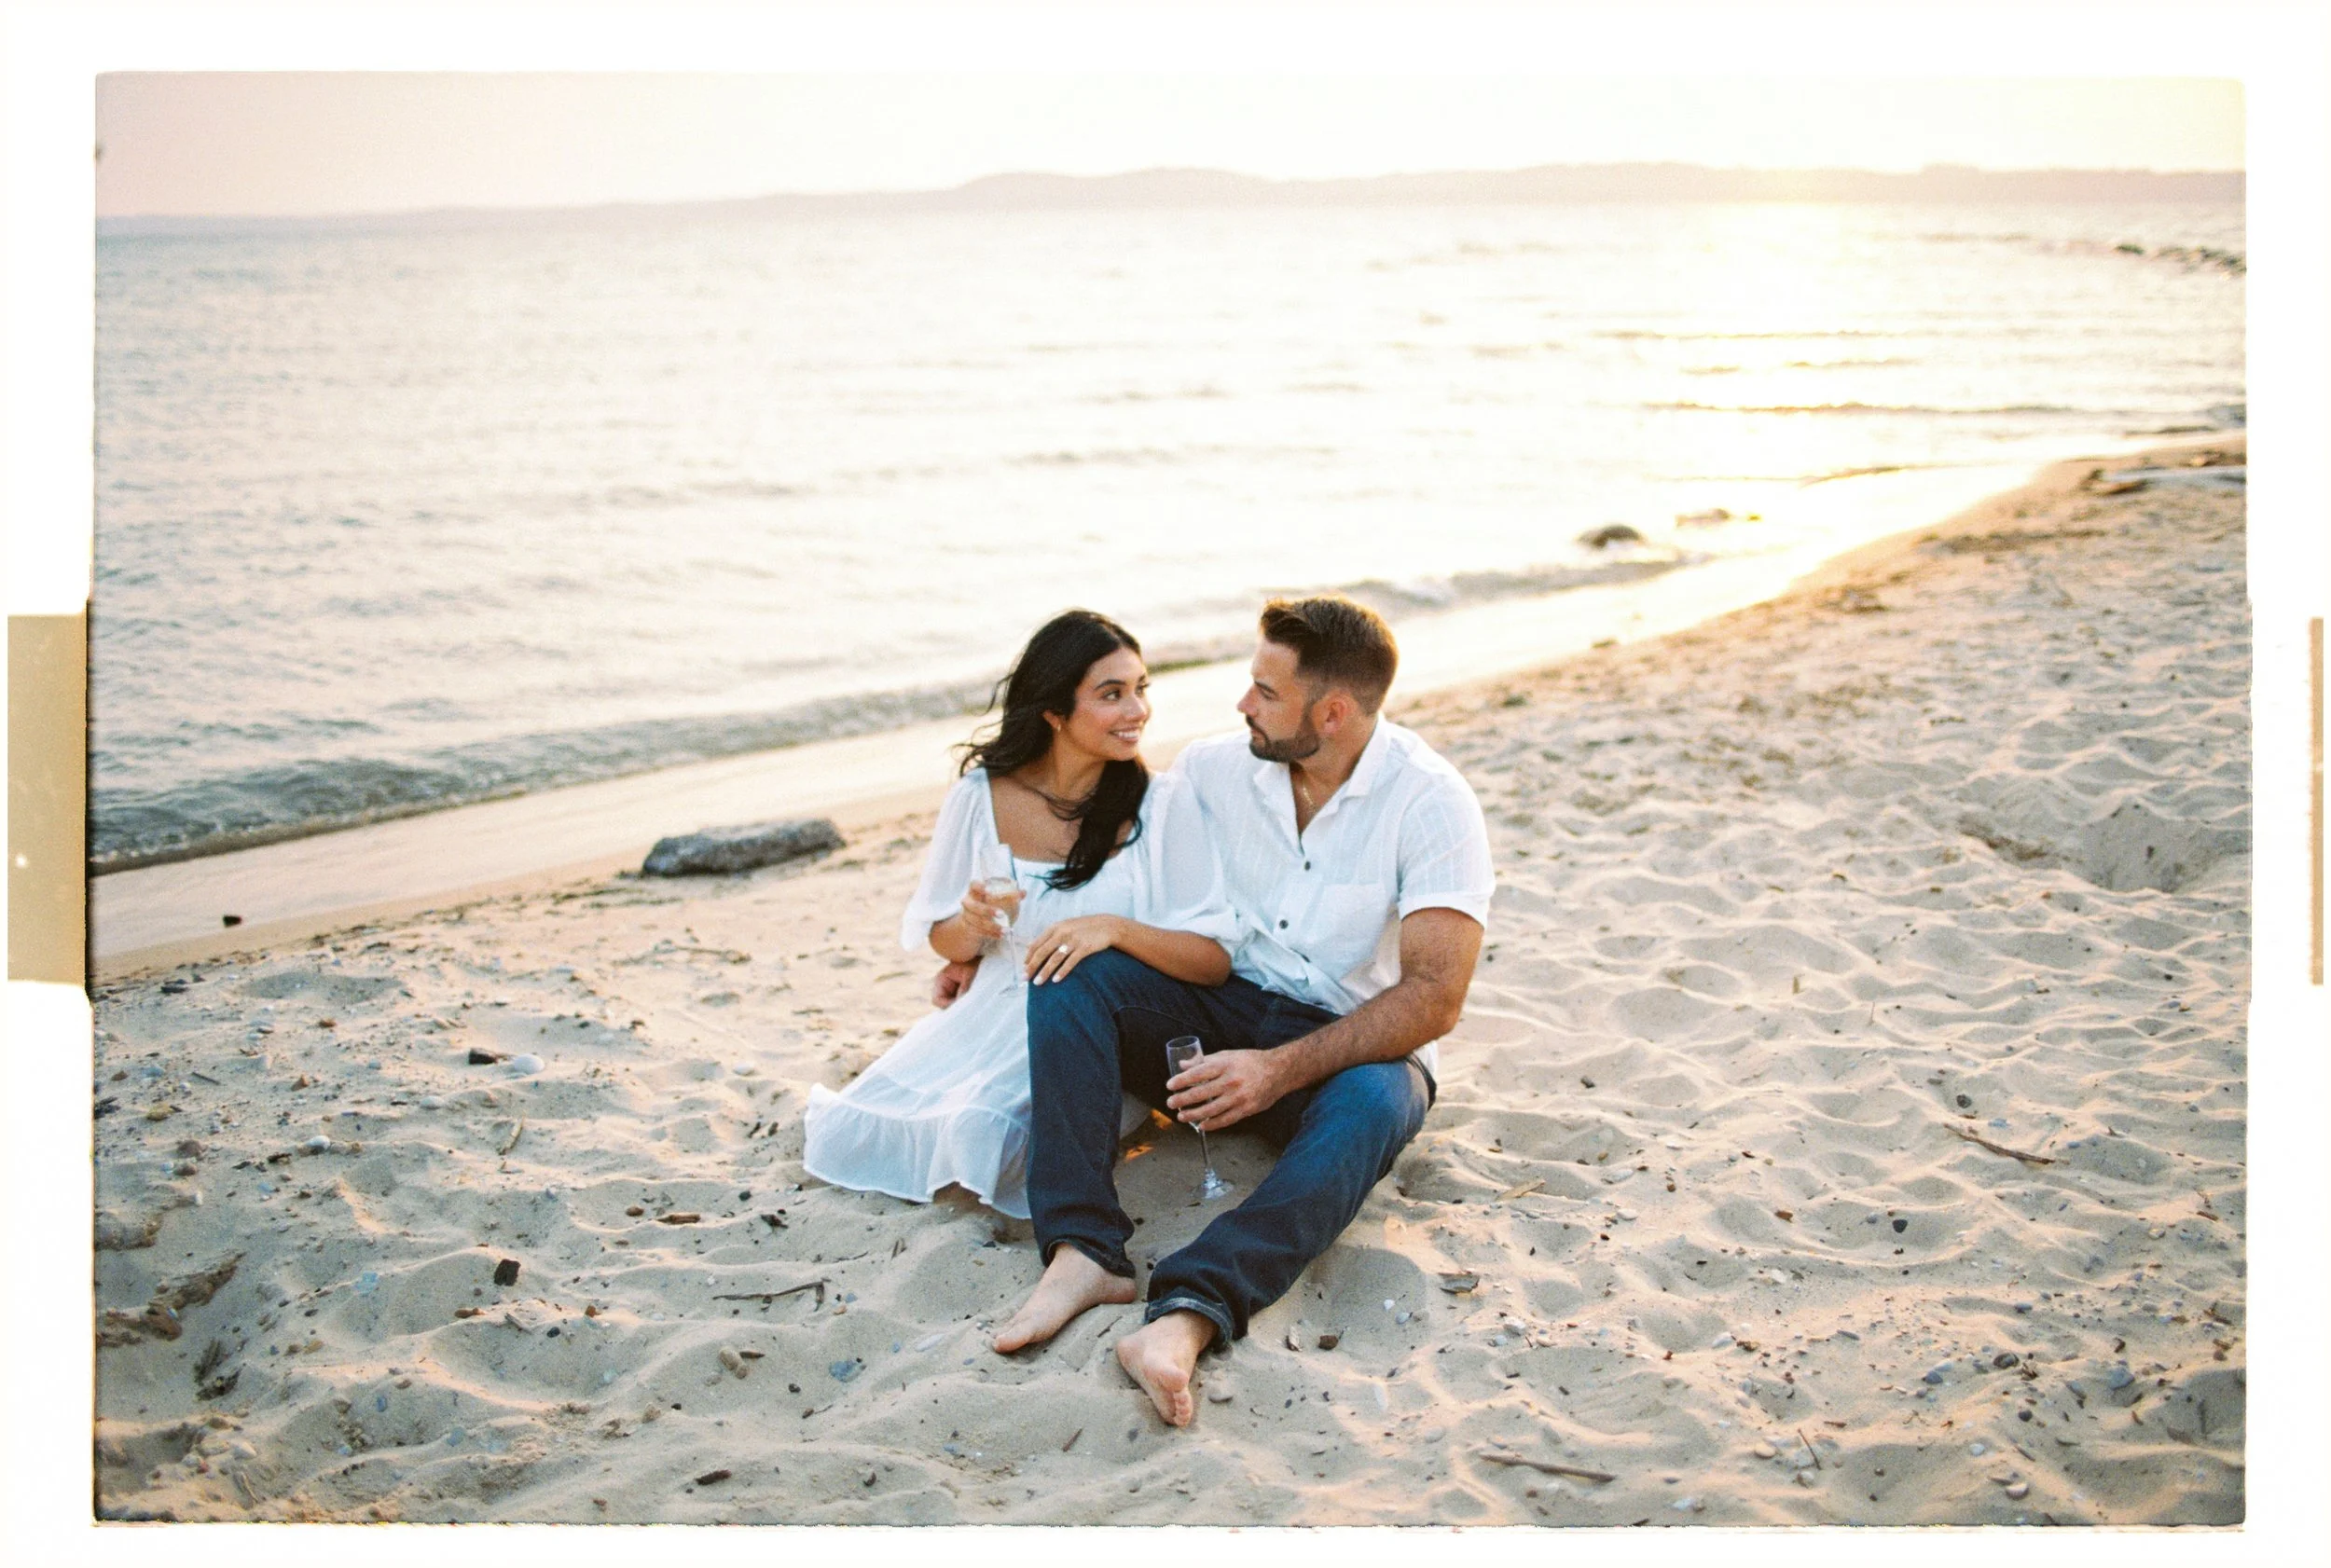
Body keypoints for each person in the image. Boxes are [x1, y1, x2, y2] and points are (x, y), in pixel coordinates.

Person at [977, 594, 1495, 1427]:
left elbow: (1435, 998)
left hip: (1343, 1048)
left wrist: (1278, 1070)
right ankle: (1082, 1251)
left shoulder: (1431, 802)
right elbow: (1121, 859)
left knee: (1378, 1102)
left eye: (1264, 691)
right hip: (1216, 1008)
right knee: (1072, 975)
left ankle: (1187, 1313)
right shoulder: (1216, 770)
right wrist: (980, 944)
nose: (1242, 704)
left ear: (1331, 713)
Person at [802, 610, 1237, 1219]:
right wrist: (973, 925)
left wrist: (1116, 930)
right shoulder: (980, 796)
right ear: (1054, 712)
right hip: (988, 1014)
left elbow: (1213, 960)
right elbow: (945, 942)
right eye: (1112, 695)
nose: (1137, 709)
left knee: (986, 1135)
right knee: (858, 1128)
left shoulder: (1162, 803)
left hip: (1089, 1031)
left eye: (1141, 689)